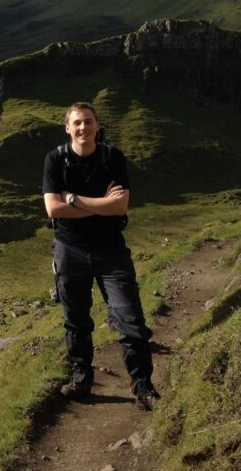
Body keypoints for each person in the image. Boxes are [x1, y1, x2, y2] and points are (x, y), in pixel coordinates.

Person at [41, 101, 160, 410]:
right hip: (70, 250)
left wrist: (74, 200)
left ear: (97, 125)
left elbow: (120, 207)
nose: (84, 127)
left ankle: (143, 386)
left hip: (111, 250)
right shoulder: (55, 160)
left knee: (129, 318)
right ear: (68, 128)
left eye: (89, 121)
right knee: (75, 319)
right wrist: (99, 204)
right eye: (77, 122)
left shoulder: (112, 158)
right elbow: (53, 209)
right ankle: (81, 379)